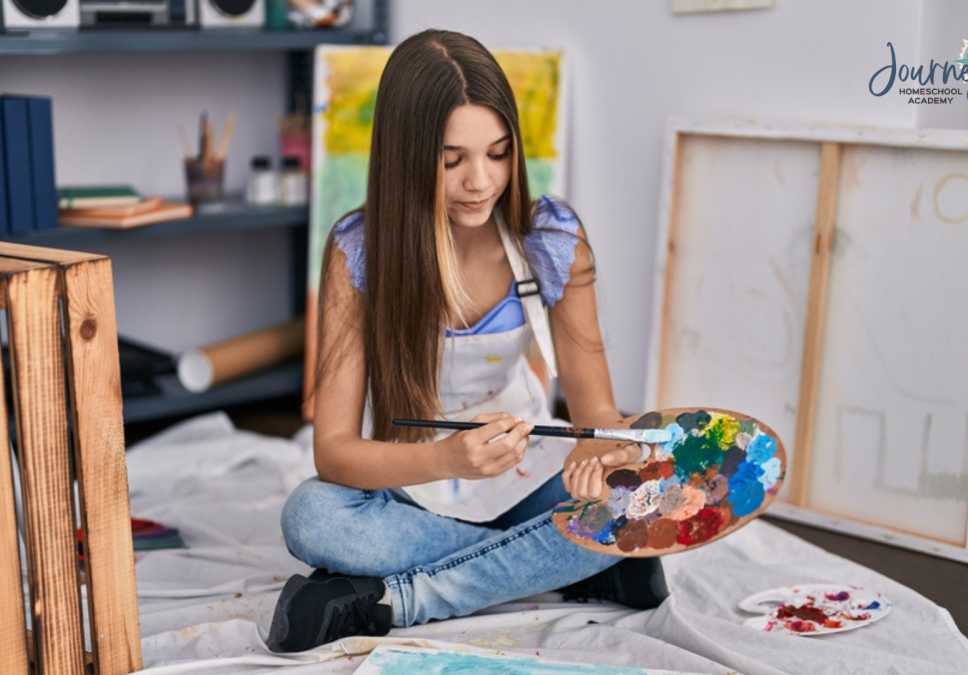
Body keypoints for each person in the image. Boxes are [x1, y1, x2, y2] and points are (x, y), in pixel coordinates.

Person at [267, 28, 668, 654]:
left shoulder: (551, 240)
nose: (480, 181)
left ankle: (393, 602)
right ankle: (579, 565)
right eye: (451, 160)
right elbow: (336, 452)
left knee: (638, 503)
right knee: (312, 518)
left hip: (525, 475)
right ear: (404, 156)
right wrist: (448, 459)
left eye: (499, 153)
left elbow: (595, 422)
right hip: (412, 484)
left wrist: (612, 457)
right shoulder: (359, 253)